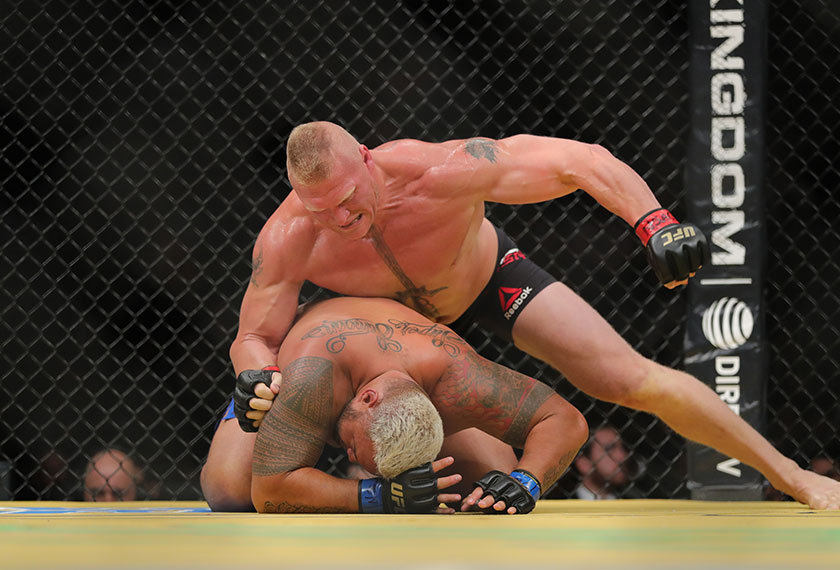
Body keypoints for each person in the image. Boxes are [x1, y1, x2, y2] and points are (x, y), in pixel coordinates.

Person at [226, 121, 840, 511]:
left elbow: (582, 160)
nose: (339, 218)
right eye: (319, 208)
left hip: (487, 282)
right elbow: (254, 335)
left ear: (365, 157)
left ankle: (791, 476)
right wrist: (255, 375)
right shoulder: (289, 236)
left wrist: (653, 220)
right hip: (385, 339)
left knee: (628, 377)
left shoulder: (443, 169)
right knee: (231, 491)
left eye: (346, 198)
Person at [202, 296, 588, 514]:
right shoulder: (310, 377)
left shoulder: (458, 379)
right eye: (356, 448)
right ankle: (252, 403)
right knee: (229, 492)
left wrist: (527, 481)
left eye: (352, 451)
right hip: (289, 371)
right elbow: (269, 491)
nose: (347, 452)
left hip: (410, 374)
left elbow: (563, 419)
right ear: (366, 399)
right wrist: (378, 496)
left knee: (491, 488)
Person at [573, 426, 634, 500]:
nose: (623, 455)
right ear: (584, 463)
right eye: (609, 449)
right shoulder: (561, 505)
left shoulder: (633, 504)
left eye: (623, 447)